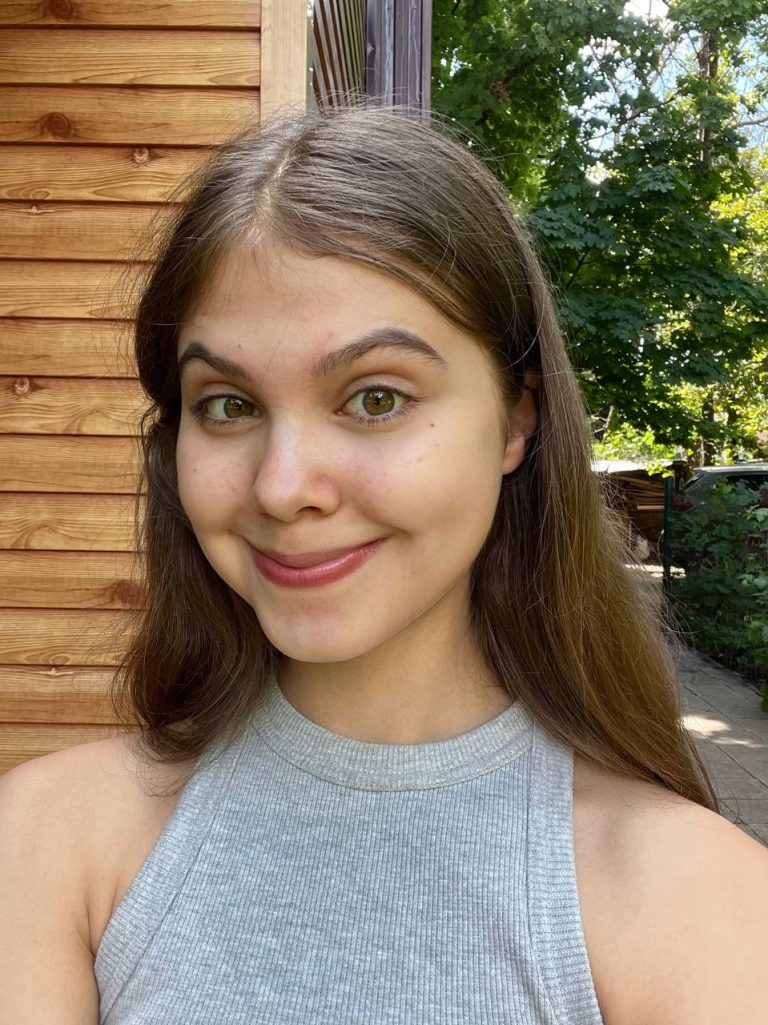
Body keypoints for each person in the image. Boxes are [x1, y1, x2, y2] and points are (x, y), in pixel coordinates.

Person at [1, 101, 766, 1024]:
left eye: (375, 398)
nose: (283, 486)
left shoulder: (698, 901)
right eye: (229, 405)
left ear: (517, 419)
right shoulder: (44, 843)